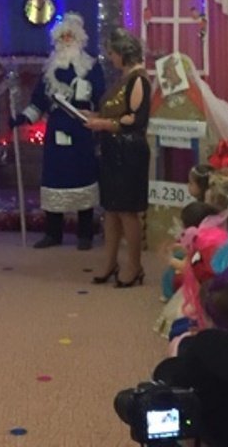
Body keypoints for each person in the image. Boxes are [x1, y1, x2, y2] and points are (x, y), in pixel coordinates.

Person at [9, 12, 105, 250]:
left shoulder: (92, 67)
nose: (66, 40)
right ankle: (53, 233)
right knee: (55, 179)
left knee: (82, 177)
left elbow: (101, 100)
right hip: (56, 131)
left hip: (81, 130)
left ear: (79, 38)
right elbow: (38, 102)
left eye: (70, 36)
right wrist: (22, 118)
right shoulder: (49, 70)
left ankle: (85, 234)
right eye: (62, 37)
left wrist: (99, 120)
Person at [84, 28, 151, 286]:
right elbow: (116, 114)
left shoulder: (138, 80)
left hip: (129, 152)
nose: (110, 57)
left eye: (112, 53)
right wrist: (94, 117)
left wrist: (101, 124)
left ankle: (135, 265)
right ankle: (110, 261)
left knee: (127, 211)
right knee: (111, 210)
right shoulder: (123, 79)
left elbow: (135, 120)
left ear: (124, 53)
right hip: (114, 151)